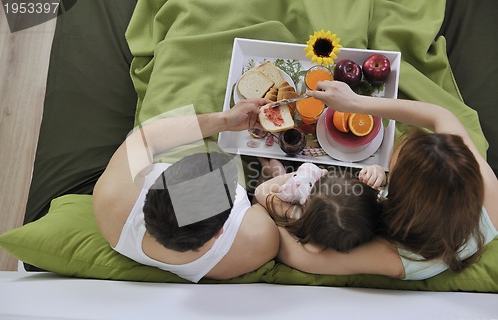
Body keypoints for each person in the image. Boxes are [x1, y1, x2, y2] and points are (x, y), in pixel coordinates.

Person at [276, 80, 498, 280]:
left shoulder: (403, 257)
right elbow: (441, 116)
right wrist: (356, 102)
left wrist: (276, 199)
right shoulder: (483, 180)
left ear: (397, 199)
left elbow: (304, 257)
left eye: (393, 170)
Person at [93, 99, 279, 283]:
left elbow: (144, 137)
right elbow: (265, 202)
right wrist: (272, 178)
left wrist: (224, 120)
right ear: (219, 231)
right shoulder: (256, 241)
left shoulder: (112, 196)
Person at [254, 161, 383, 253]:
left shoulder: (298, 214)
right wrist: (377, 171)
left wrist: (303, 176)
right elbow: (380, 191)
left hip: (269, 203)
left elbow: (261, 191)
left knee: (269, 177)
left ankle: (270, 172)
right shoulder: (366, 211)